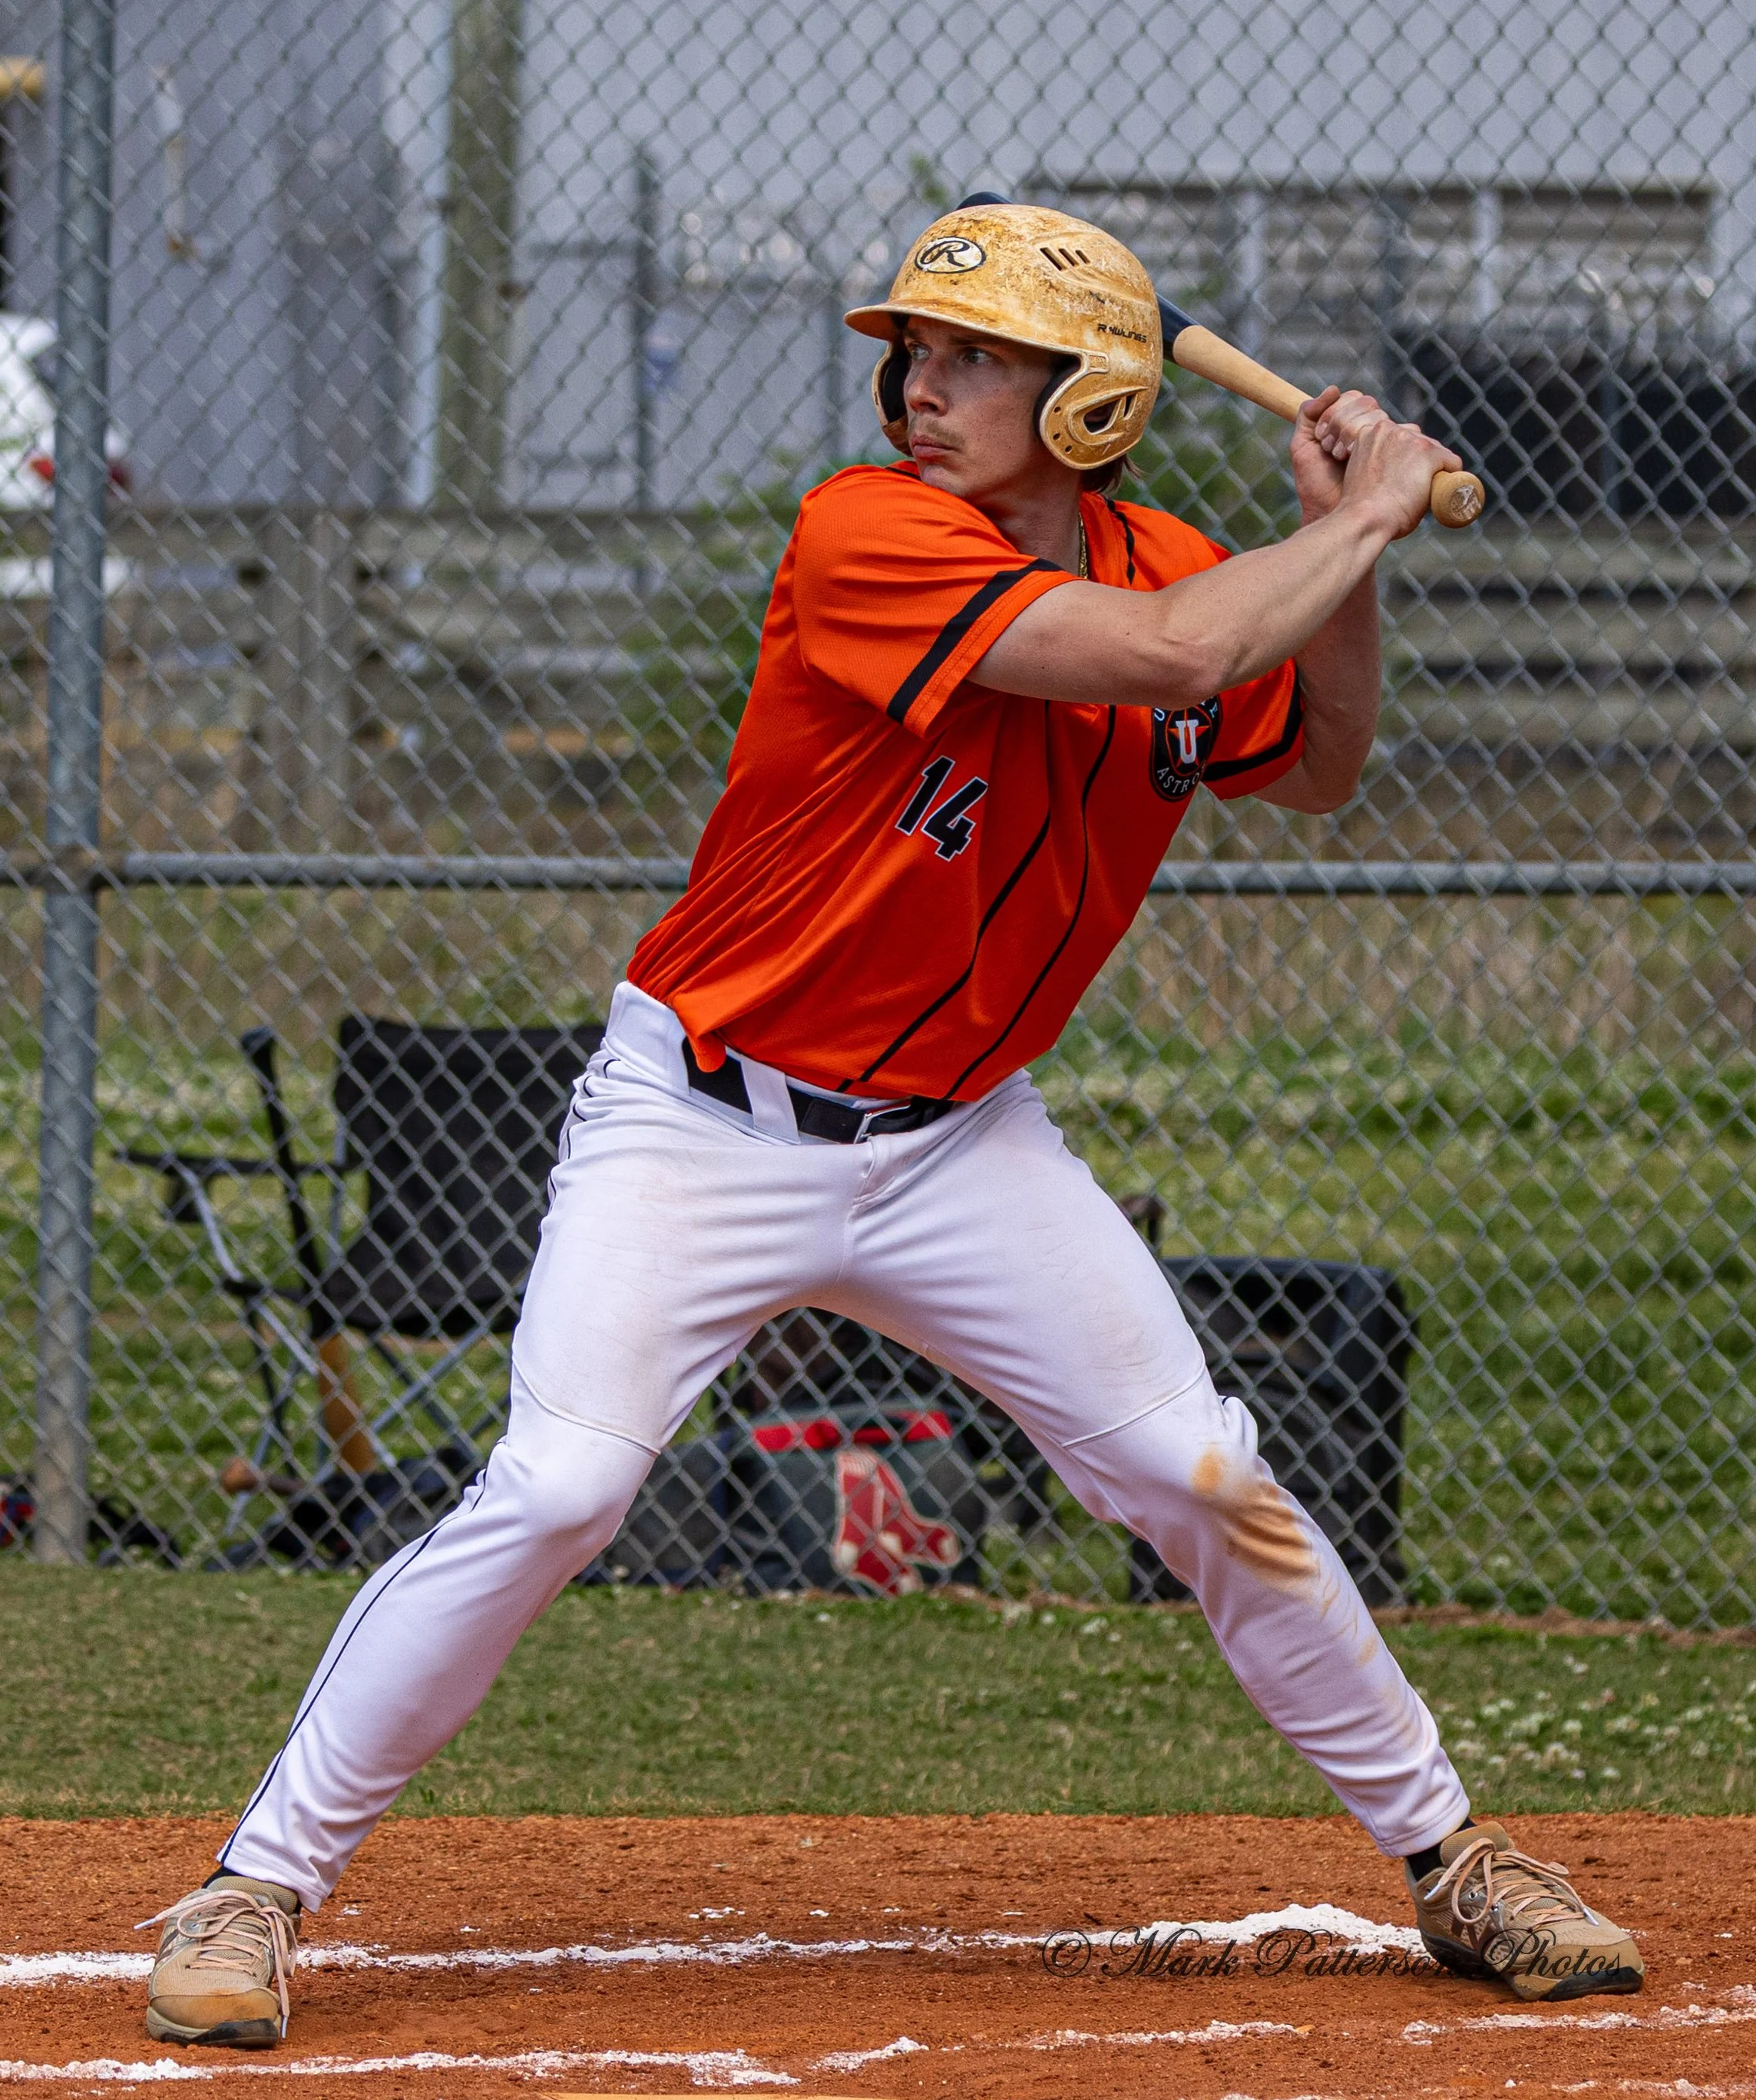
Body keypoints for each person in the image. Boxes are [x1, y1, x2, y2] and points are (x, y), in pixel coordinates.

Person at [139, 203, 1642, 2047]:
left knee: (1199, 1476)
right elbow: (1169, 660)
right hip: (703, 1117)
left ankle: (1457, 1857)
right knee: (561, 1484)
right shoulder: (870, 534)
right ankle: (253, 1882)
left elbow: (1317, 763)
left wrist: (1357, 551)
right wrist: (1354, 513)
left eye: (977, 358)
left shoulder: (1182, 556)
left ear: (1091, 400)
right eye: (917, 351)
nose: (919, 385)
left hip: (959, 1143)